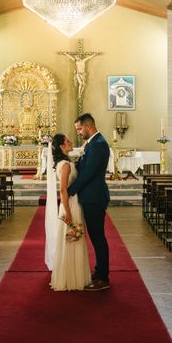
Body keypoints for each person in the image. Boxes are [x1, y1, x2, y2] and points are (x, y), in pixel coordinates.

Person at [67, 113, 111, 291]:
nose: (78, 132)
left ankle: (103, 278)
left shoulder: (98, 145)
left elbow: (88, 174)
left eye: (79, 128)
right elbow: (82, 167)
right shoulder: (93, 143)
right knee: (95, 236)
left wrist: (69, 191)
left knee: (98, 237)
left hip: (94, 197)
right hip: (91, 196)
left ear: (88, 126)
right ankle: (100, 271)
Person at [45, 133, 92, 291]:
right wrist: (68, 213)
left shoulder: (65, 162)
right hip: (70, 205)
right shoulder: (65, 165)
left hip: (72, 204)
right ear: (61, 146)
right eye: (68, 141)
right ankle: (72, 278)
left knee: (73, 239)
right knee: (73, 239)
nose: (71, 142)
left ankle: (72, 275)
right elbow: (63, 190)